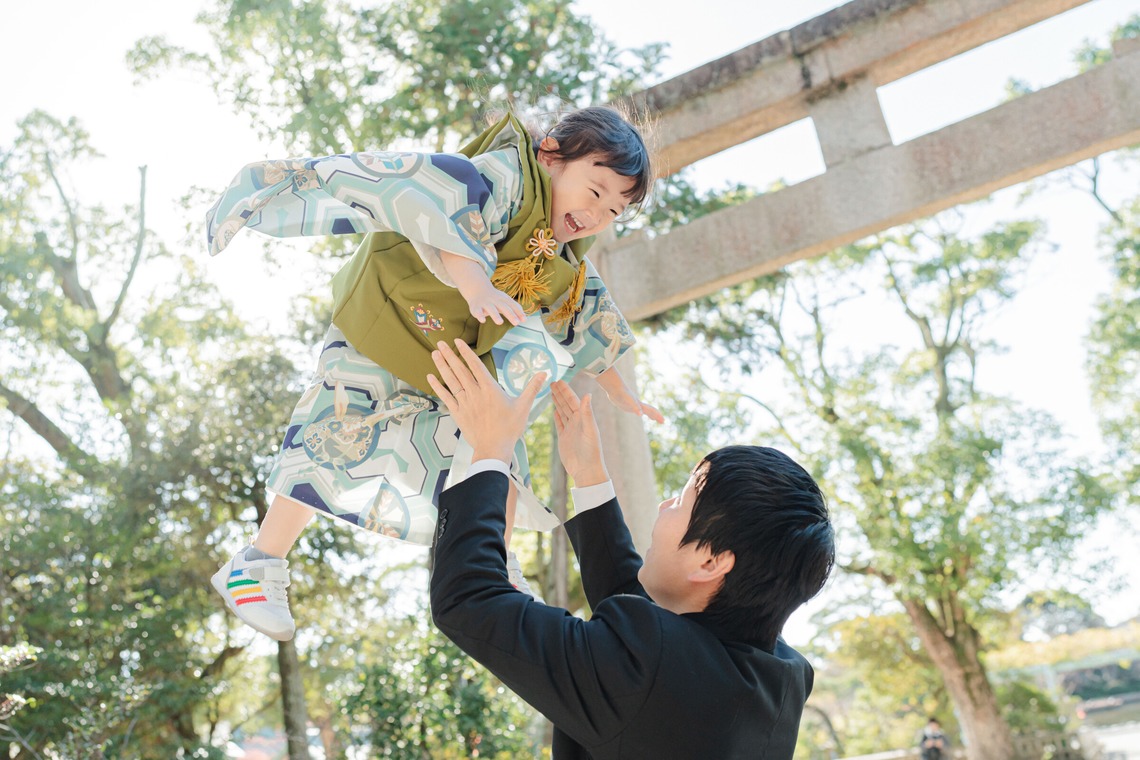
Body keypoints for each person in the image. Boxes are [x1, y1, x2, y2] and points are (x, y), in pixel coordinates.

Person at [205, 106, 663, 641]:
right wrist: (476, 287)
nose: (601, 212)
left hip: (448, 349)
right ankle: (258, 564)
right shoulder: (505, 175)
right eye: (596, 190)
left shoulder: (564, 253)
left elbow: (585, 314)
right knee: (335, 431)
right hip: (387, 312)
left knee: (500, 449)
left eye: (616, 209)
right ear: (552, 157)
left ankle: (497, 561)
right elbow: (452, 216)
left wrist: (619, 390)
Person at [426, 339, 836, 759]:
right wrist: (589, 476)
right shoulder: (783, 676)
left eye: (681, 500)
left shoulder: (651, 671)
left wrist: (491, 452)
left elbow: (467, 600)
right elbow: (650, 632)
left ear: (712, 561)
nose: (664, 505)